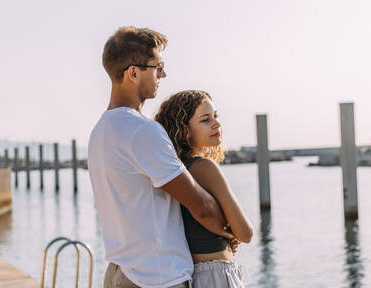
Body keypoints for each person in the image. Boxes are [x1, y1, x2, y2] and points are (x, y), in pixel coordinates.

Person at [88, 27, 234, 288]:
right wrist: (230, 230)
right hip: (156, 278)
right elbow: (200, 205)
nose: (163, 74)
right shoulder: (141, 130)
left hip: (119, 273)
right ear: (133, 73)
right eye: (158, 66)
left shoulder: (100, 131)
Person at [155, 90, 253, 288]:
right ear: (184, 130)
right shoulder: (204, 167)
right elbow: (245, 233)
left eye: (216, 116)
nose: (216, 124)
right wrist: (231, 234)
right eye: (205, 120)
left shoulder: (176, 171)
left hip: (192, 274)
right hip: (217, 274)